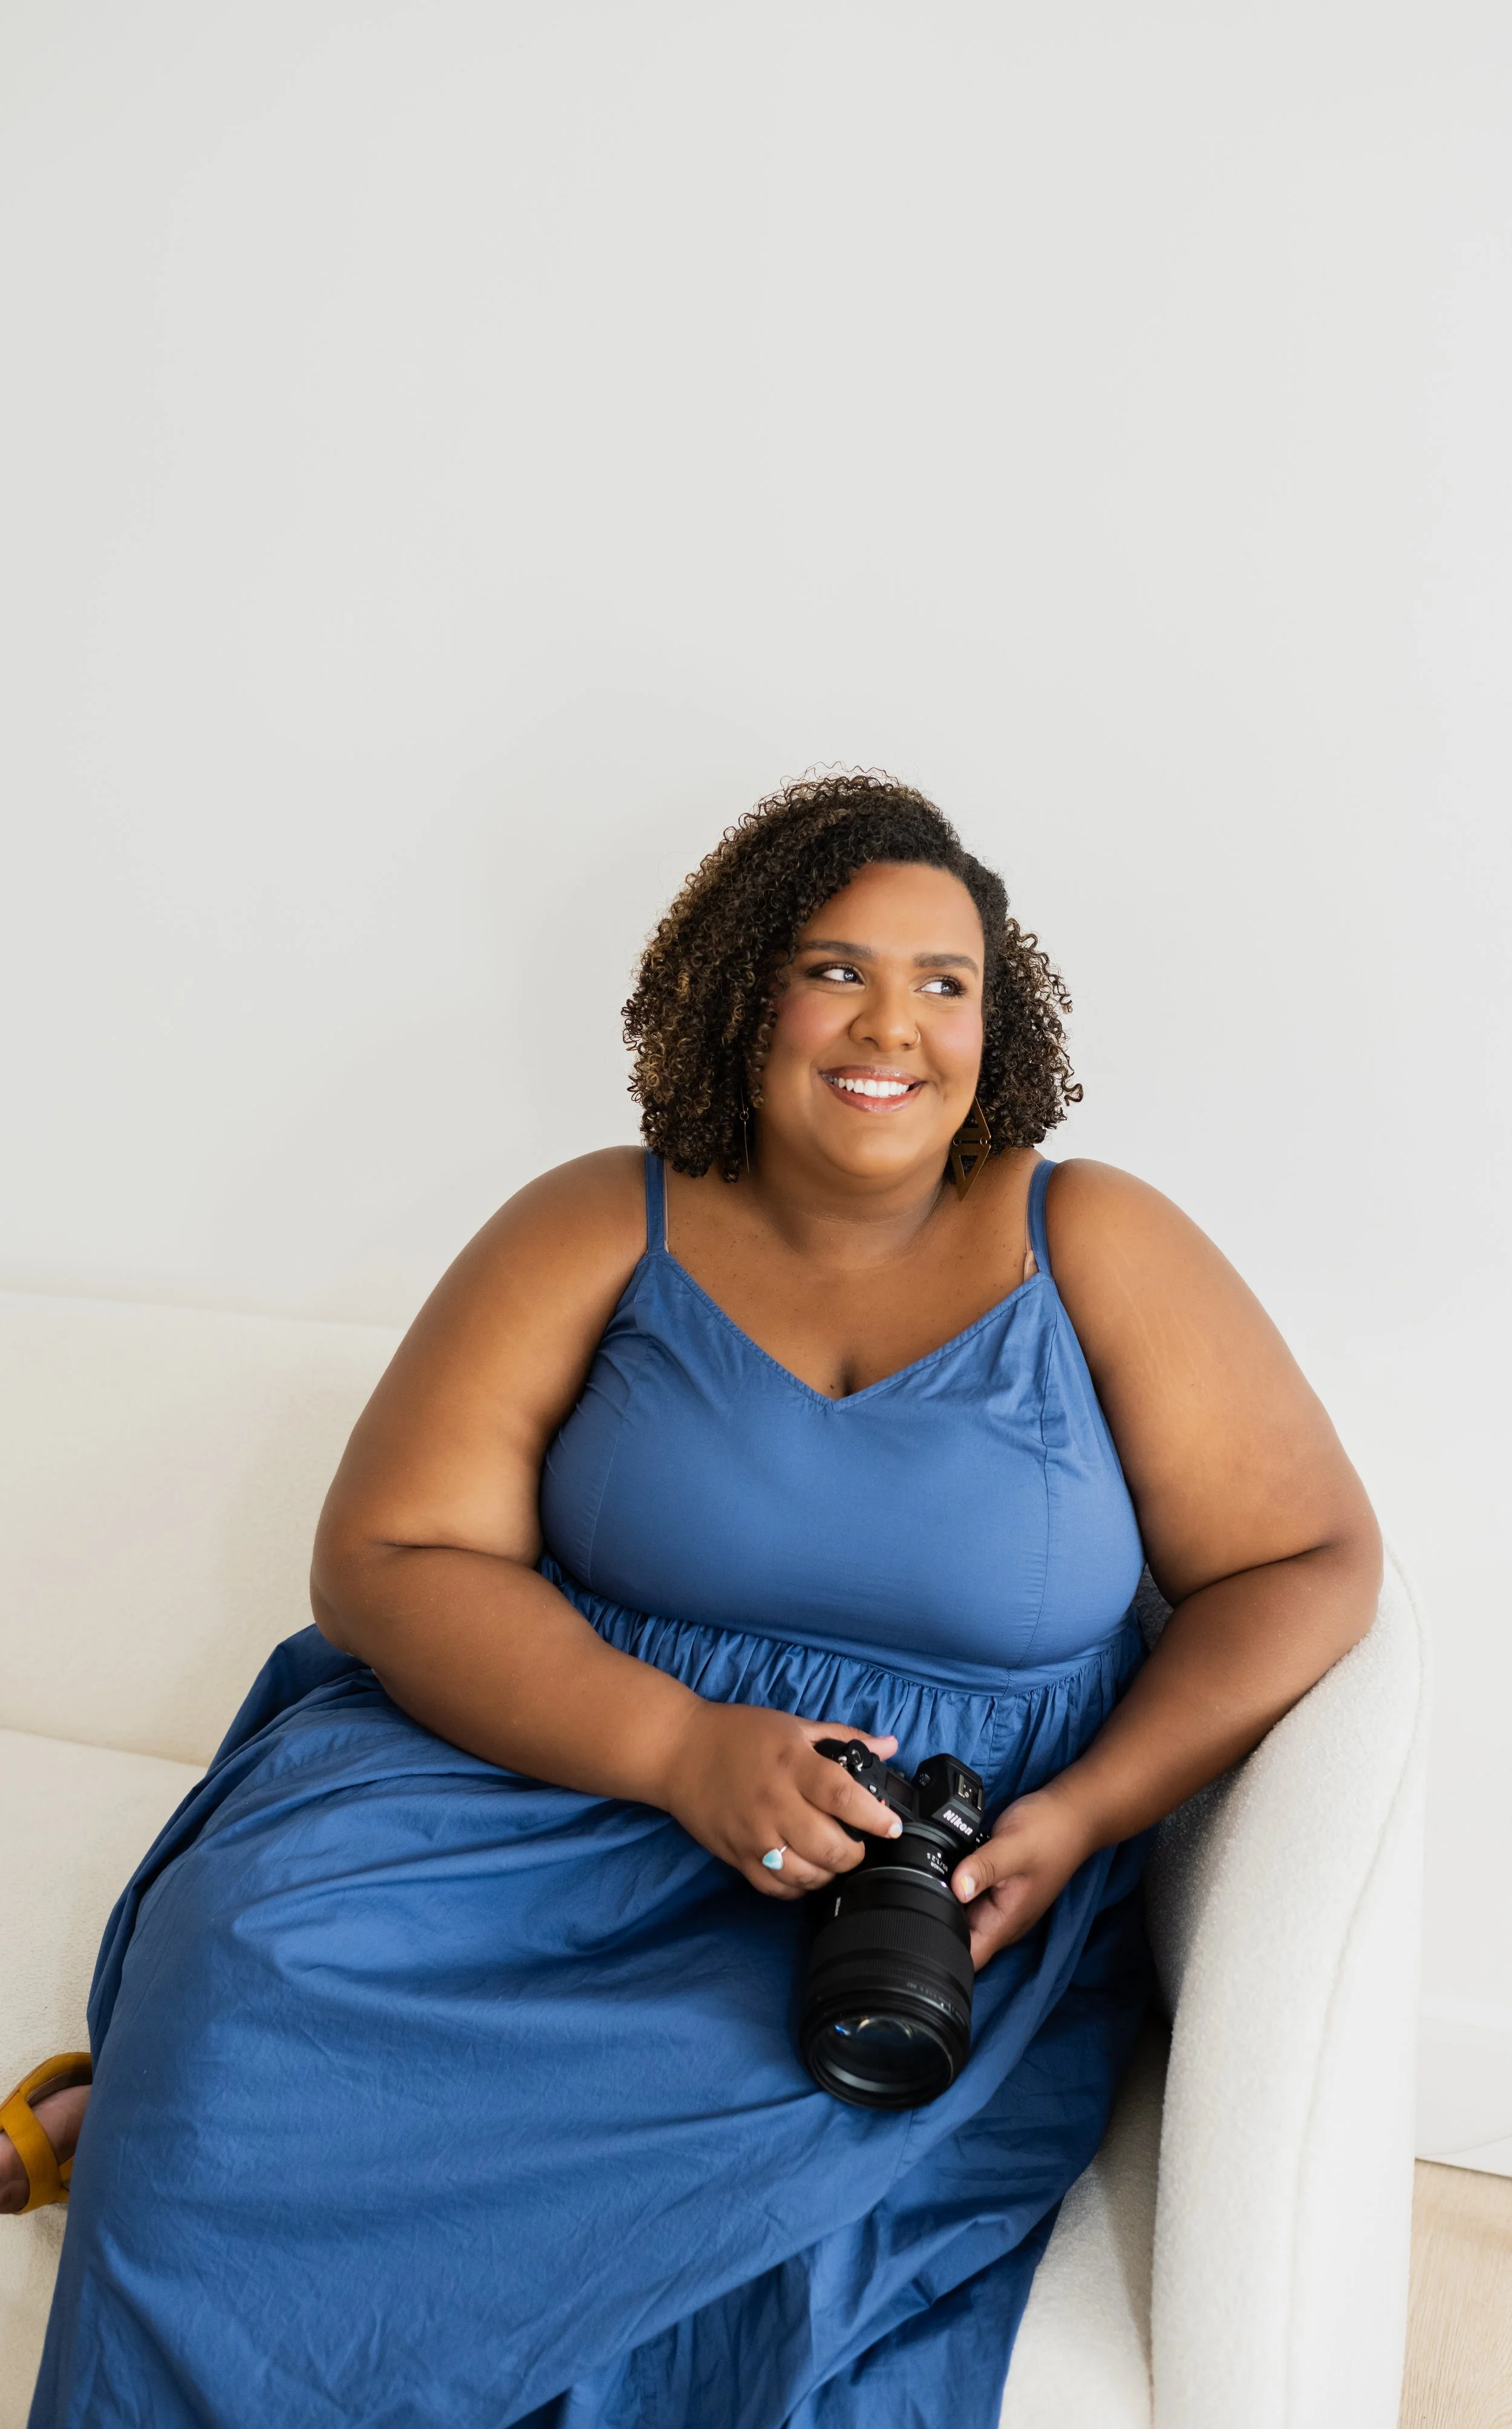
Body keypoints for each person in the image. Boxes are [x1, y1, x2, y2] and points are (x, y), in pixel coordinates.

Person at [4, 772, 1380, 2427]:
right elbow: (386, 1554)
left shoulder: (1090, 1239)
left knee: (775, 2175)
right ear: (740, 994)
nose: (893, 1025)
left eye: (946, 983)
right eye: (835, 969)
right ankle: (163, 2122)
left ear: (995, 1025)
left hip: (899, 1867)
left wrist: (1085, 1814)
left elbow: (1303, 1560)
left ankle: (165, 2140)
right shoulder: (597, 1219)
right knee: (255, 1957)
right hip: (552, 1767)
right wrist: (676, 1748)